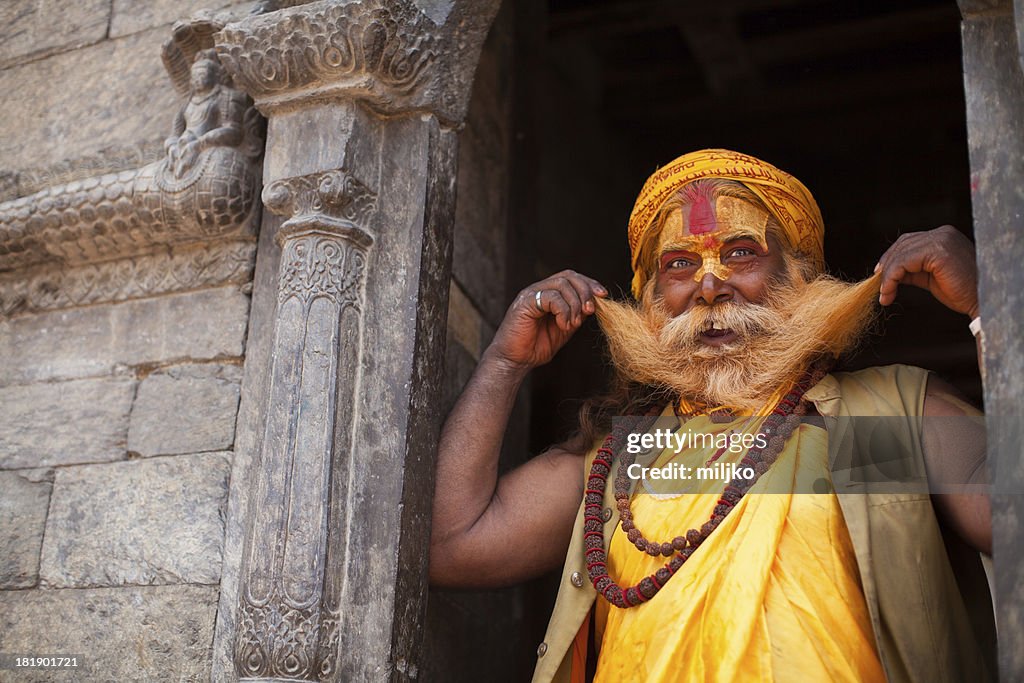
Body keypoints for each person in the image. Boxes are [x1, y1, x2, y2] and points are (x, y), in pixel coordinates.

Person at [429, 149, 994, 682]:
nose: (709, 285)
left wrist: (988, 307)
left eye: (741, 253)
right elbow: (455, 544)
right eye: (678, 264)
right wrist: (505, 361)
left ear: (797, 275)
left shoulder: (881, 418)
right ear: (650, 299)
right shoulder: (620, 468)